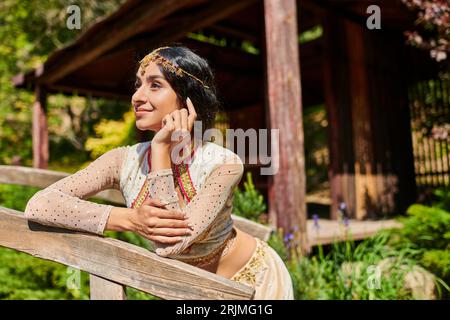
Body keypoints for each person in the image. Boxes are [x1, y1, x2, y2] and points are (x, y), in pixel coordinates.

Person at [24, 45, 294, 300]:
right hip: (184, 290)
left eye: (155, 85)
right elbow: (40, 204)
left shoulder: (223, 164)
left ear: (188, 100)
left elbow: (171, 245)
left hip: (253, 282)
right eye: (138, 85)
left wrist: (161, 149)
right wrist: (126, 218)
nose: (137, 96)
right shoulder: (121, 160)